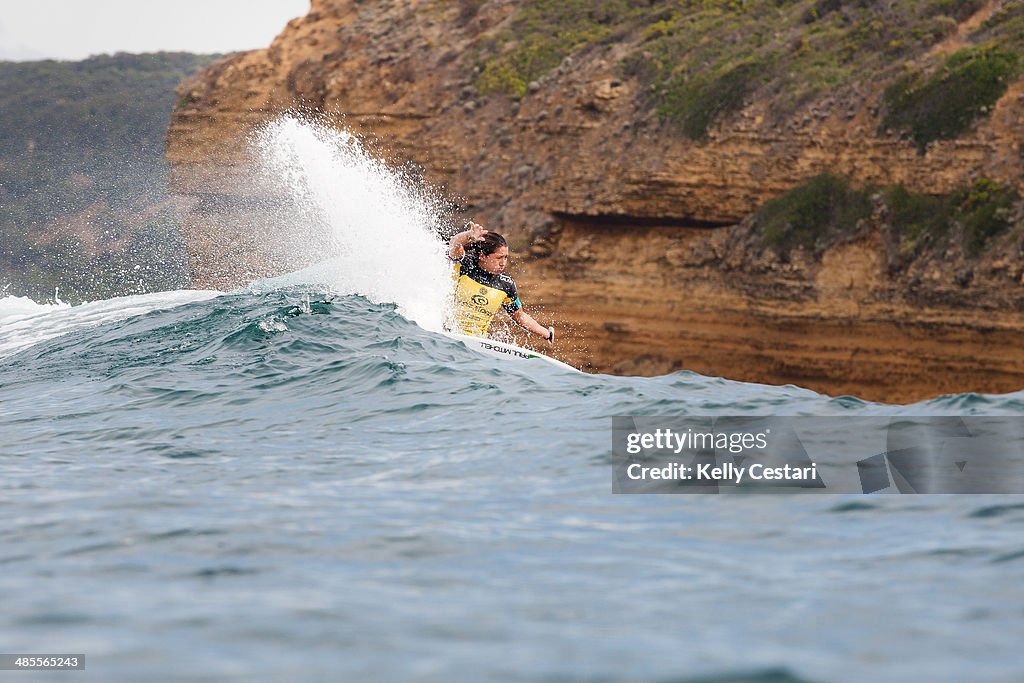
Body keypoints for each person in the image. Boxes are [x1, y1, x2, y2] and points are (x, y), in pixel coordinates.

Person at [447, 222, 554, 342]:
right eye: (499, 258)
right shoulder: (464, 264)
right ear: (483, 256)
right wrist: (469, 235)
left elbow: (519, 316)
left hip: (476, 343)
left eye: (506, 257)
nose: (503, 263)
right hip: (447, 334)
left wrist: (546, 333)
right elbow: (454, 244)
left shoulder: (506, 285)